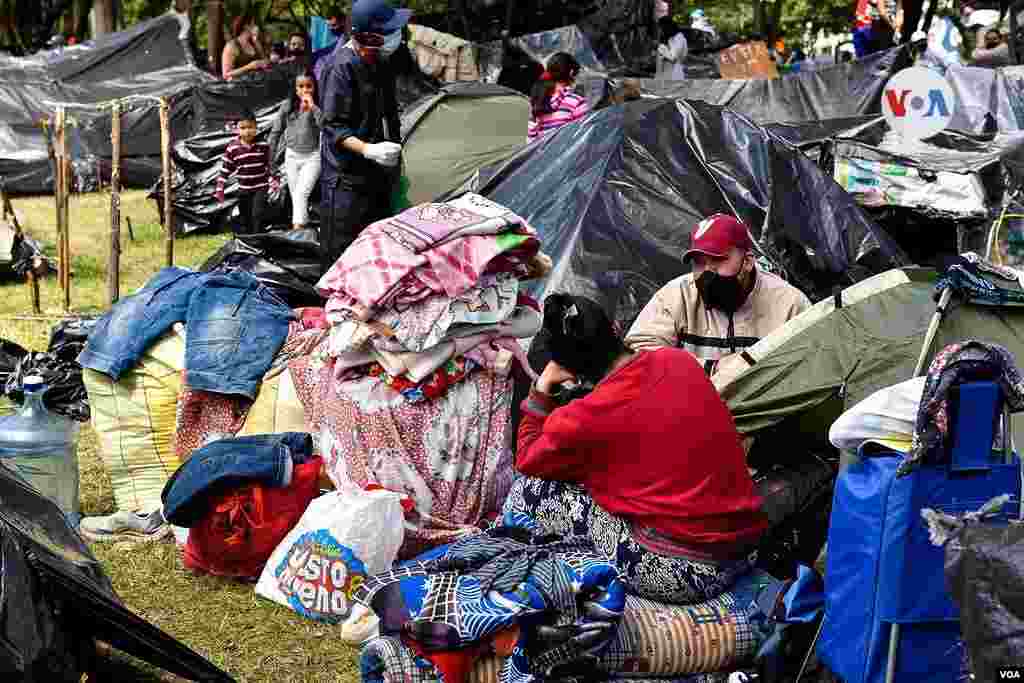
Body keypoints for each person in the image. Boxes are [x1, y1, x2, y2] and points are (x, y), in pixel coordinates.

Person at [507, 293, 767, 604]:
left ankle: (527, 582)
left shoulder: (584, 417)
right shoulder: (679, 360)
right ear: (615, 328)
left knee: (529, 491)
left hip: (687, 571)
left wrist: (542, 389)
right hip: (744, 547)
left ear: (570, 372)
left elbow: (526, 456)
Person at [625, 213, 811, 377]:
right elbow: (639, 352)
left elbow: (809, 365)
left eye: (717, 260)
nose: (707, 272)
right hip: (693, 407)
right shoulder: (677, 295)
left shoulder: (789, 303)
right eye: (698, 262)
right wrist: (710, 369)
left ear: (747, 262)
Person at [318, 0, 410, 271]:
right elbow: (334, 126)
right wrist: (369, 150)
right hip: (346, 182)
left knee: (378, 253)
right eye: (390, 30)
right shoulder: (340, 67)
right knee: (345, 257)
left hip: (378, 177)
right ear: (367, 35)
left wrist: (394, 150)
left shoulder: (382, 63)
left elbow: (389, 113)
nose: (397, 36)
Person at [269, 74, 324, 231]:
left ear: (315, 88)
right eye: (300, 87)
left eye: (309, 86)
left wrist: (313, 107)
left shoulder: (318, 106)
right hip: (292, 156)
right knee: (296, 196)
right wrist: (270, 158)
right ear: (295, 89)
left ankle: (296, 231)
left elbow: (325, 126)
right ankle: (303, 226)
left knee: (301, 193)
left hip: (312, 157)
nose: (305, 90)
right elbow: (275, 132)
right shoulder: (288, 106)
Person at [216, 109, 273, 235]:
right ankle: (249, 241)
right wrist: (220, 188)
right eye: (243, 127)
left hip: (260, 187)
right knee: (246, 217)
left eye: (250, 127)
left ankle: (258, 241)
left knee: (257, 214)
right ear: (237, 129)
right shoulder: (233, 148)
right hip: (244, 189)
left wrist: (274, 179)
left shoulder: (263, 145)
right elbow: (225, 169)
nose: (247, 131)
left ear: (256, 127)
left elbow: (269, 164)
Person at [527, 53, 589, 141]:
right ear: (571, 73)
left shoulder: (538, 100)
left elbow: (531, 140)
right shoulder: (576, 102)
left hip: (545, 154)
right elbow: (585, 137)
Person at [222, 14, 269, 81]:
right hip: (238, 87)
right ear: (246, 26)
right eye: (253, 24)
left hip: (256, 84)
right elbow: (226, 74)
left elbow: (265, 60)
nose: (256, 27)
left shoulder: (254, 42)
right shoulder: (231, 46)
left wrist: (266, 61)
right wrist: (249, 67)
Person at [656, 17, 688, 81]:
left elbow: (673, 57)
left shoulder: (679, 38)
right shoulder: (670, 39)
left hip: (674, 75)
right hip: (665, 74)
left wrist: (661, 48)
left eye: (661, 28)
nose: (660, 31)